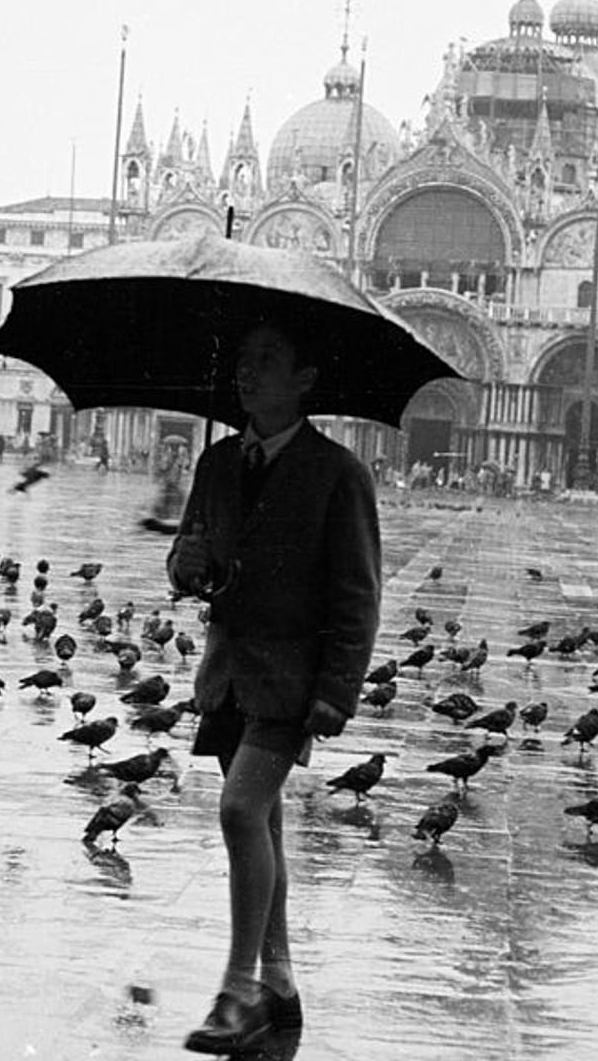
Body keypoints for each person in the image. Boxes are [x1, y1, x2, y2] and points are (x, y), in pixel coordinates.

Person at [168, 321, 381, 1054]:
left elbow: (359, 592)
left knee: (238, 812)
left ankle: (238, 990)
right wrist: (187, 563)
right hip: (230, 672)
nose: (248, 374)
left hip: (293, 680)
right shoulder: (218, 461)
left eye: (268, 361)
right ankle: (281, 977)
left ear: (305, 380)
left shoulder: (338, 473)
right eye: (244, 360)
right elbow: (188, 555)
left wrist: (340, 689)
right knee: (263, 827)